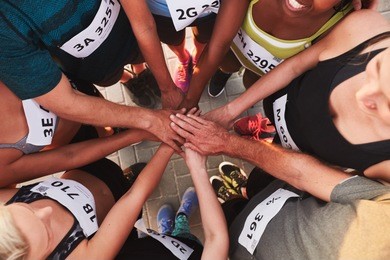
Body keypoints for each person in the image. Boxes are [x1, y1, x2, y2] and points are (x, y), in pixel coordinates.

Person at [171, 9, 390, 181]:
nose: (364, 95)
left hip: (290, 164)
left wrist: (229, 144)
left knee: (261, 177)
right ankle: (265, 126)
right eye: (377, 68)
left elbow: (321, 180)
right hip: (277, 102)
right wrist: (231, 110)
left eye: (388, 105)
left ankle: (265, 137)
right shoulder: (367, 29)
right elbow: (294, 67)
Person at [0, 0, 185, 151]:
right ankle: (128, 79)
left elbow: (143, 25)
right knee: (111, 76)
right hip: (92, 66)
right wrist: (151, 121)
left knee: (138, 54)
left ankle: (140, 71)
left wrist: (167, 89)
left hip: (129, 33)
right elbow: (63, 101)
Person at [179, 0, 379, 108]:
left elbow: (298, 71)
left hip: (264, 74)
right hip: (231, 52)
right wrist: (189, 101)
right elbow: (218, 44)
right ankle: (222, 75)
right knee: (224, 65)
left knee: (251, 84)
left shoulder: (337, 25)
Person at [208, 160, 390, 259]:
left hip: (236, 238)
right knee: (257, 182)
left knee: (230, 210)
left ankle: (233, 197)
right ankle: (244, 189)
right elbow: (311, 176)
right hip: (280, 190)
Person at [0, 80, 159, 187]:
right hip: (76, 138)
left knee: (105, 117)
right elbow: (69, 156)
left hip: (78, 87)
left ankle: (114, 128)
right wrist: (137, 133)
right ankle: (114, 134)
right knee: (103, 135)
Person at [153, 148, 229, 260]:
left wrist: (166, 148)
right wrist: (198, 169)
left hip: (156, 250)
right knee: (184, 236)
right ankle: (181, 220)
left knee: (163, 243)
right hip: (189, 251)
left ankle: (167, 233)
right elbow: (215, 239)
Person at [146, 0, 218, 93]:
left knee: (204, 37)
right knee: (173, 40)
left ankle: (198, 58)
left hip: (210, 6)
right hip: (162, 9)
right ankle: (184, 60)